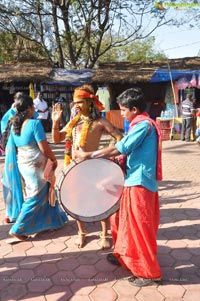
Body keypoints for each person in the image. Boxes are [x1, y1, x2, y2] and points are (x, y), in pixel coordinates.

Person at [74, 87, 163, 287]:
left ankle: (149, 273)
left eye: (123, 110)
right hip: (132, 180)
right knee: (121, 221)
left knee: (139, 228)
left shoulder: (143, 126)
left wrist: (87, 155)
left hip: (139, 183)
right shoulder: (139, 124)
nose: (121, 114)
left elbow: (118, 147)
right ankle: (125, 255)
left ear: (134, 109)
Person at [52, 84, 123, 249]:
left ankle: (104, 234)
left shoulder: (99, 122)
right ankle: (82, 233)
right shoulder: (73, 122)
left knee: (101, 199)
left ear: (90, 103)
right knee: (77, 200)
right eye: (75, 102)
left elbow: (119, 137)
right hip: (74, 168)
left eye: (80, 102)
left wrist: (105, 154)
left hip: (94, 167)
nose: (77, 105)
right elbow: (56, 139)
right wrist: (55, 122)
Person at [7, 95, 68, 242]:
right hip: (37, 165)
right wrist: (53, 159)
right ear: (28, 109)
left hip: (23, 163)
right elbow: (44, 148)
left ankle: (54, 221)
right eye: (33, 107)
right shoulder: (35, 124)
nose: (34, 109)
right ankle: (17, 228)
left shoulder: (13, 124)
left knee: (45, 190)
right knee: (35, 195)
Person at [1, 92, 33, 223]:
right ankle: (16, 210)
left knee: (15, 181)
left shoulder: (18, 114)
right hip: (16, 152)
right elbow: (5, 129)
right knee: (18, 181)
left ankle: (15, 211)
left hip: (17, 151)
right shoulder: (13, 114)